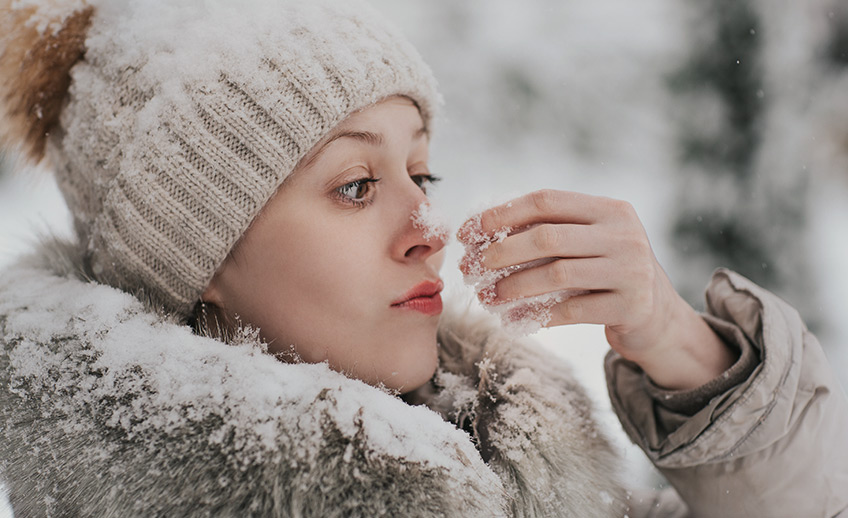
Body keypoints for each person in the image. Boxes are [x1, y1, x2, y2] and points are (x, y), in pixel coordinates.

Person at [0, 0, 845, 516]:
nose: (430, 224)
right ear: (198, 254)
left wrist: (678, 343)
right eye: (358, 185)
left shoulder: (489, 471)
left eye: (422, 170)